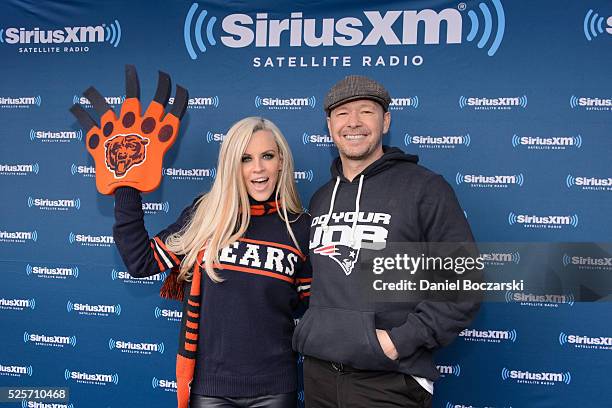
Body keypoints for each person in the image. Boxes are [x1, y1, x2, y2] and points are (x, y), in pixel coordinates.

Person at [292, 76, 480, 408]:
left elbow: (463, 284)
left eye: (366, 111)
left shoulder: (425, 189)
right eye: (342, 114)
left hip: (390, 379)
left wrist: (396, 342)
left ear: (386, 121)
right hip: (320, 376)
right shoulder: (321, 198)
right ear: (329, 125)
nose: (354, 122)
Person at [113, 117, 311, 408]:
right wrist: (126, 183)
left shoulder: (301, 226)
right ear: (232, 165)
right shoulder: (205, 215)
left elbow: (316, 306)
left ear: (281, 161)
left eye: (267, 156)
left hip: (275, 387)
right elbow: (141, 261)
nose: (257, 168)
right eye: (245, 158)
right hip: (211, 389)